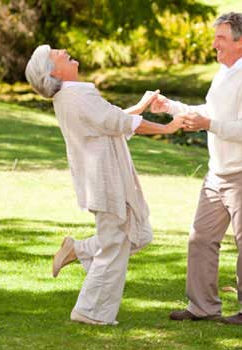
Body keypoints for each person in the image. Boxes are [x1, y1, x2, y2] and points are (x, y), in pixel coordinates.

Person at [24, 44, 184, 326]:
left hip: (101, 179)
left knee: (138, 235)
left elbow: (106, 120)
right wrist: (168, 128)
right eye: (55, 53)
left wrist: (140, 107)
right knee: (114, 245)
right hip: (105, 181)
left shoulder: (71, 96)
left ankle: (78, 249)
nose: (62, 51)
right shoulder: (77, 94)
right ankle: (90, 312)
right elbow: (116, 122)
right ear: (54, 70)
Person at [150, 12, 242, 325]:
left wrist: (209, 125)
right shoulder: (224, 73)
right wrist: (172, 108)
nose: (214, 43)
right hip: (217, 173)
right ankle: (202, 306)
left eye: (220, 37)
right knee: (200, 238)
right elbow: (211, 113)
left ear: (240, 41)